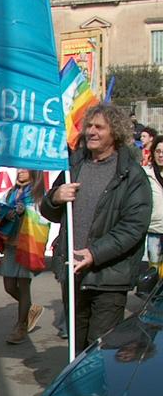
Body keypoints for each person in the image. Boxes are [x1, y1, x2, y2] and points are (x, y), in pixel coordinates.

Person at [41, 103, 152, 353]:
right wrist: (54, 197)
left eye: (99, 127)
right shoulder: (73, 166)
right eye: (89, 126)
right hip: (73, 273)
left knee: (100, 349)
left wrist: (94, 253)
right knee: (76, 346)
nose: (91, 131)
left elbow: (133, 228)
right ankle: (76, 391)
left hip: (108, 277)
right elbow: (49, 211)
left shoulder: (131, 175)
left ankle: (98, 393)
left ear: (115, 133)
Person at [0, 169, 50, 344]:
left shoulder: (38, 193)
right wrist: (3, 213)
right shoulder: (11, 192)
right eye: (19, 169)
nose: (20, 172)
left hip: (27, 245)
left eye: (24, 169)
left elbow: (42, 218)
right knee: (9, 286)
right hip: (10, 244)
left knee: (24, 285)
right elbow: (0, 207)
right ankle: (31, 308)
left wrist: (25, 212)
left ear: (33, 172)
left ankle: (20, 326)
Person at [145, 134, 163, 279]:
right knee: (155, 270)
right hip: (154, 229)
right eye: (158, 151)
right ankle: (156, 301)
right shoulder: (146, 174)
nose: (161, 155)